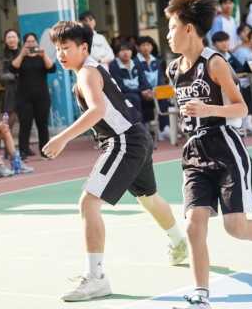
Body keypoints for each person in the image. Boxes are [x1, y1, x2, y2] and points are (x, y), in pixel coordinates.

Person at [43, 20, 188, 302]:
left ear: (84, 48)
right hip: (137, 135)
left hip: (124, 141)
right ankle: (178, 242)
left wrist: (63, 138)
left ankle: (96, 278)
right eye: (57, 48)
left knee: (88, 204)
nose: (60, 54)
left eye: (66, 47)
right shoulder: (92, 68)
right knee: (148, 197)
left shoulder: (87, 73)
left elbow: (97, 110)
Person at [164, 0, 252, 309]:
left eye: (172, 28)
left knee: (236, 228)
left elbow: (241, 108)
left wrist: (208, 109)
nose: (168, 35)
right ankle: (200, 294)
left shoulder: (215, 63)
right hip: (194, 153)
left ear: (189, 28)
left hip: (226, 148)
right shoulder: (173, 69)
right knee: (193, 226)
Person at [9, 32, 56, 161]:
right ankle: (23, 152)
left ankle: (45, 152)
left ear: (37, 43)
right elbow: (12, 69)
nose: (30, 44)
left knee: (42, 125)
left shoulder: (42, 57)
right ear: (23, 44)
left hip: (42, 97)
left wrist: (44, 55)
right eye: (28, 42)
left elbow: (52, 68)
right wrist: (21, 55)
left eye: (33, 41)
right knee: (25, 126)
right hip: (24, 98)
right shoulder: (21, 57)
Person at [136, 36, 171, 140]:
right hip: (144, 92)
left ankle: (163, 129)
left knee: (164, 97)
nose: (146, 47)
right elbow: (141, 80)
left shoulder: (156, 60)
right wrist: (150, 91)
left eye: (148, 45)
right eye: (143, 45)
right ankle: (147, 127)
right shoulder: (135, 62)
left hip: (156, 92)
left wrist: (159, 90)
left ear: (152, 47)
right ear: (138, 47)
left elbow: (161, 78)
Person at [109, 41, 154, 123]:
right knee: (135, 98)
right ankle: (140, 125)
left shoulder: (136, 64)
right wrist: (141, 92)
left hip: (138, 92)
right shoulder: (114, 66)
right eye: (122, 50)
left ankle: (161, 126)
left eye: (128, 50)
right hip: (123, 94)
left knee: (153, 95)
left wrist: (148, 90)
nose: (125, 52)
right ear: (117, 53)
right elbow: (120, 87)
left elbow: (143, 80)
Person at [232, 29, 252, 134]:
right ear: (249, 40)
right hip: (244, 86)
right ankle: (248, 122)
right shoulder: (243, 53)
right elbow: (239, 71)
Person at [0, 29, 22, 132]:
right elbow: (0, 75)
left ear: (18, 39)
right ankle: (7, 140)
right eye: (9, 37)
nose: (12, 39)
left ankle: (23, 142)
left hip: (25, 87)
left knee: (25, 118)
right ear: (5, 41)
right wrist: (15, 76)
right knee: (9, 119)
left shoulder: (24, 52)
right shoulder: (2, 55)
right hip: (10, 88)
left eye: (14, 37)